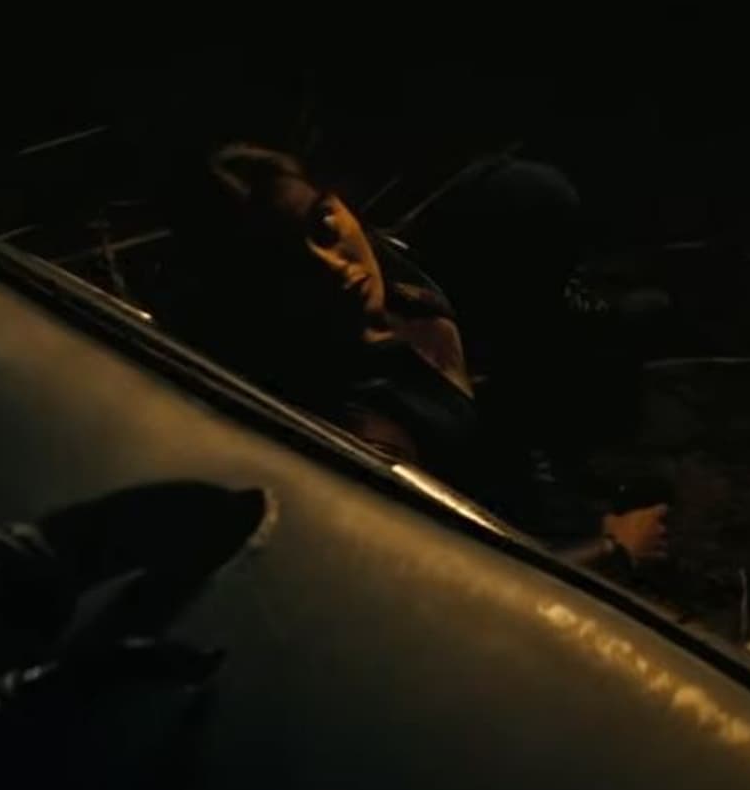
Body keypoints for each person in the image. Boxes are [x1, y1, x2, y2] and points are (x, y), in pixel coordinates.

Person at [147, 143, 668, 571]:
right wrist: (615, 548)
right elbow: (453, 579)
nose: (333, 265)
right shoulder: (367, 430)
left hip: (487, 376)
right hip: (494, 475)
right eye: (287, 258)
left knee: (529, 194)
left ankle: (562, 333)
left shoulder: (376, 269)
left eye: (323, 226)